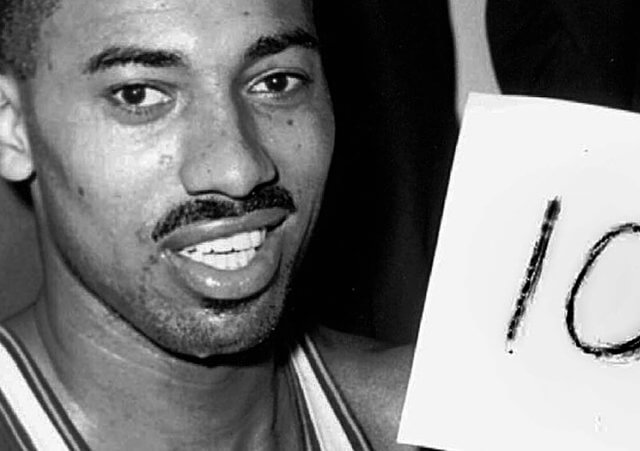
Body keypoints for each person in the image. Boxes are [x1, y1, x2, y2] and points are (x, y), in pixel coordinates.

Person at [0, 0, 414, 449]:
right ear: (11, 127)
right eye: (139, 95)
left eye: (276, 82)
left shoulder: (444, 423)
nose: (238, 171)